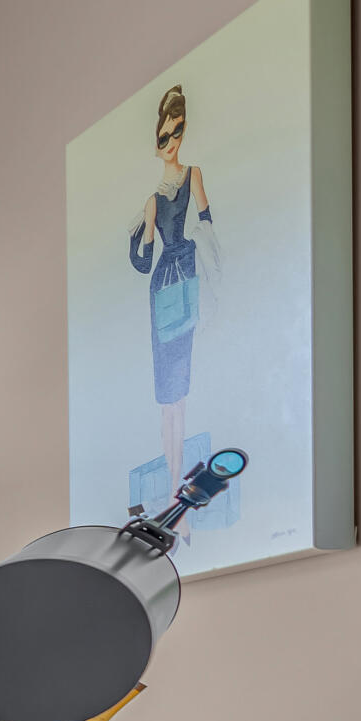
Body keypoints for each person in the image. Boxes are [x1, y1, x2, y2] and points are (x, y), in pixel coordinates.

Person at [127, 85, 216, 491]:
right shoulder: (151, 201)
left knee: (181, 388)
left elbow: (207, 225)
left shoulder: (194, 174)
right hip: (163, 285)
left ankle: (179, 486)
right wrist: (139, 234)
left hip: (186, 279)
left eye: (176, 133)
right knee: (167, 395)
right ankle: (172, 488)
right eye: (164, 136)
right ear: (156, 141)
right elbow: (144, 263)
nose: (170, 142)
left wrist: (197, 246)